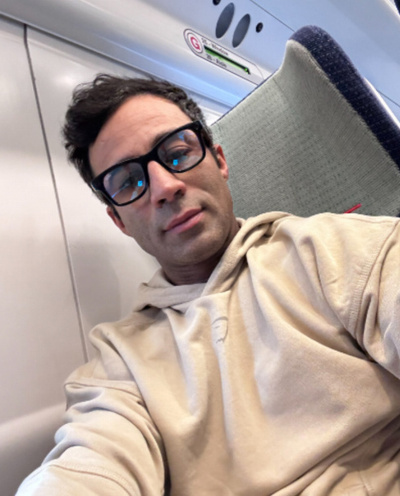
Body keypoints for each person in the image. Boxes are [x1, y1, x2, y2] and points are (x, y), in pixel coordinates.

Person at [17, 74, 400, 495]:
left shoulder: (337, 250)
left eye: (177, 153)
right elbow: (89, 465)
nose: (165, 187)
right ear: (118, 221)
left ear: (219, 160)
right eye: (128, 182)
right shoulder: (119, 363)